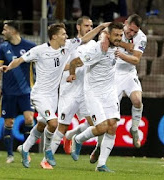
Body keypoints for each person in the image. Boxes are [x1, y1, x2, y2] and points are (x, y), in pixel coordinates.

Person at [0, 22, 108, 168]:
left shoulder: (67, 46)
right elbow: (19, 60)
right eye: (63, 34)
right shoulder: (39, 50)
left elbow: (85, 38)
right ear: (55, 36)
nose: (66, 36)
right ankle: (48, 150)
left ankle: (24, 149)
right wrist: (7, 67)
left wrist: (100, 28)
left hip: (53, 96)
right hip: (39, 95)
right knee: (53, 123)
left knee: (41, 124)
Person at [39, 16, 96, 170]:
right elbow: (61, 65)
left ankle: (74, 136)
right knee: (61, 126)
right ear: (78, 27)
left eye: (91, 26)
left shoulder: (95, 45)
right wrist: (72, 68)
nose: (89, 28)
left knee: (95, 124)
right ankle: (45, 159)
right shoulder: (69, 45)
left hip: (85, 91)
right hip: (69, 91)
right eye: (86, 25)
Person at [89, 14, 147, 164]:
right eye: (131, 30)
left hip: (128, 73)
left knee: (137, 100)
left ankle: (134, 129)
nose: (132, 34)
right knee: (109, 119)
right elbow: (103, 35)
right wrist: (124, 45)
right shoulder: (115, 28)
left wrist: (121, 52)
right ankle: (98, 147)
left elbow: (136, 60)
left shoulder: (142, 38)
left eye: (135, 31)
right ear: (126, 23)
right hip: (113, 75)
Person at [67, 21, 124, 172]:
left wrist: (107, 34)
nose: (119, 38)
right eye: (116, 35)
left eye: (120, 35)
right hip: (93, 92)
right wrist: (72, 74)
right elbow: (74, 62)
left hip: (109, 91)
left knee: (113, 126)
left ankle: (101, 165)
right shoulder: (98, 49)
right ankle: (78, 139)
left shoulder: (115, 43)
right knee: (102, 127)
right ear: (109, 35)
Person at [0, 20, 36, 164]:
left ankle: (26, 151)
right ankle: (10, 155)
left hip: (26, 91)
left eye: (5, 29)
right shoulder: (3, 47)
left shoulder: (30, 47)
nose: (3, 32)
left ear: (13, 31)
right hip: (9, 92)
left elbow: (39, 66)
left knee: (29, 119)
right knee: (9, 122)